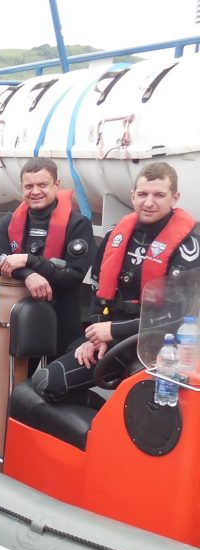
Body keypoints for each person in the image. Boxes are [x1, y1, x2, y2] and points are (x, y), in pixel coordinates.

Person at [36, 161, 200, 401]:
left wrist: (111, 331)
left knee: (133, 402)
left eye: (159, 195)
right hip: (112, 336)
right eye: (143, 194)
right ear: (133, 196)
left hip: (159, 348)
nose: (149, 202)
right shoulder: (116, 234)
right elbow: (96, 290)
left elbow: (178, 319)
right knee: (46, 381)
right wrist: (95, 337)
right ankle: (98, 426)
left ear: (174, 198)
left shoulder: (188, 248)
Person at [0, 157, 94, 355]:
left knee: (56, 383)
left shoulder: (78, 225)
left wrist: (29, 260)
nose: (35, 192)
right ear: (22, 187)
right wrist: (27, 274)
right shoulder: (9, 222)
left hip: (61, 322)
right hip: (19, 320)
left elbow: (72, 277)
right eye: (29, 186)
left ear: (56, 184)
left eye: (42, 185)